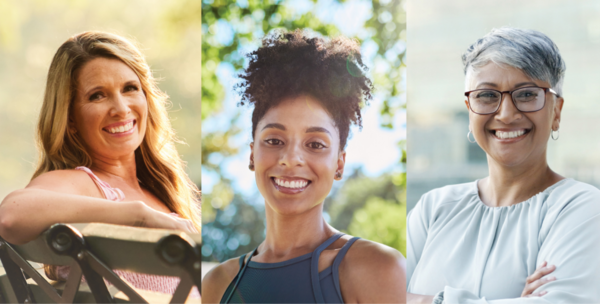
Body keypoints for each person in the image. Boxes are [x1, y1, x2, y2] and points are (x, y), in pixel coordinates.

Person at [202, 30, 406, 304]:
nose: (291, 158)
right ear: (252, 155)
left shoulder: (376, 268)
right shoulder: (218, 284)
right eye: (274, 140)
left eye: (315, 144)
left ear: (339, 163)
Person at [407, 27, 600, 303]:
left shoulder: (583, 208)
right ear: (469, 109)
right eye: (486, 96)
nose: (506, 115)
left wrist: (425, 299)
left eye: (526, 95)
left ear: (556, 111)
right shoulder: (433, 208)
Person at [0, 31, 200, 295]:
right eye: (97, 95)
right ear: (70, 119)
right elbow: (11, 215)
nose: (121, 108)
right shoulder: (82, 181)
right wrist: (138, 216)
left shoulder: (162, 190)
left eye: (130, 88)